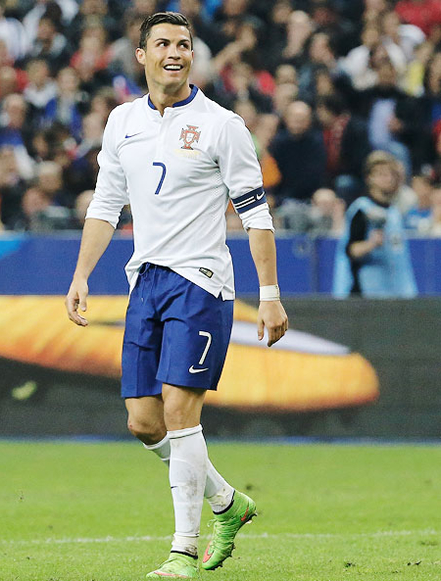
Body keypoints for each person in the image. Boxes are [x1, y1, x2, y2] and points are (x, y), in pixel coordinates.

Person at [65, 12, 288, 580]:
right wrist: (81, 275)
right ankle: (227, 504)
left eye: (184, 44)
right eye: (162, 43)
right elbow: (105, 205)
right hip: (146, 280)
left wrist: (269, 293)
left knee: (180, 412)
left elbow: (255, 213)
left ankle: (182, 552)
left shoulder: (223, 125)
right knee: (144, 422)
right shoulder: (121, 122)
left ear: (193, 55)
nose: (175, 52)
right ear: (140, 55)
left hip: (202, 283)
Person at [333, 150, 418, 297]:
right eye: (381, 174)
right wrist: (371, 244)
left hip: (394, 293)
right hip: (367, 293)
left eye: (390, 174)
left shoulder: (394, 212)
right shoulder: (362, 210)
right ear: (369, 178)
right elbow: (351, 250)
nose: (387, 179)